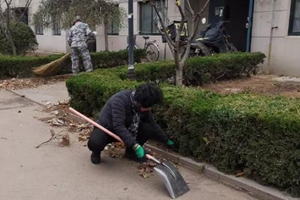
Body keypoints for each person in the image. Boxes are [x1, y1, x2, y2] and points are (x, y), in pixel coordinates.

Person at [87, 83, 176, 164]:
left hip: (126, 130)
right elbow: (118, 126)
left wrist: (167, 141)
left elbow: (152, 124)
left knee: (148, 128)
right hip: (107, 129)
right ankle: (96, 152)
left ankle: (130, 153)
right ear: (139, 103)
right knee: (95, 143)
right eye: (148, 107)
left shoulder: (142, 104)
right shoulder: (119, 100)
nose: (149, 109)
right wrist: (135, 146)